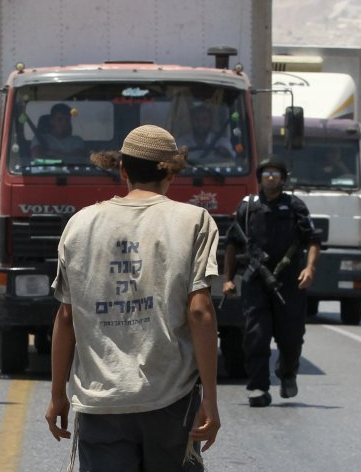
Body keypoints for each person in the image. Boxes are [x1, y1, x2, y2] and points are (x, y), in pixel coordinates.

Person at [45, 125, 220, 471]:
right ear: (171, 172)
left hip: (101, 401)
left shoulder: (80, 224)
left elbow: (66, 317)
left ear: (122, 169)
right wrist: (211, 401)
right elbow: (200, 312)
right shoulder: (194, 221)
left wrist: (57, 396)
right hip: (171, 398)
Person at [222, 156, 321, 407]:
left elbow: (312, 240)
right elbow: (232, 244)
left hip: (289, 282)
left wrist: (309, 269)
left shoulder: (295, 206)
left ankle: (287, 373)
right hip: (255, 281)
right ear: (259, 178)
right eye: (266, 174)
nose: (270, 178)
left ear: (282, 179)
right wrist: (228, 279)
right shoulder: (248, 208)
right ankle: (258, 387)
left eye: (275, 174)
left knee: (291, 337)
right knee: (255, 335)